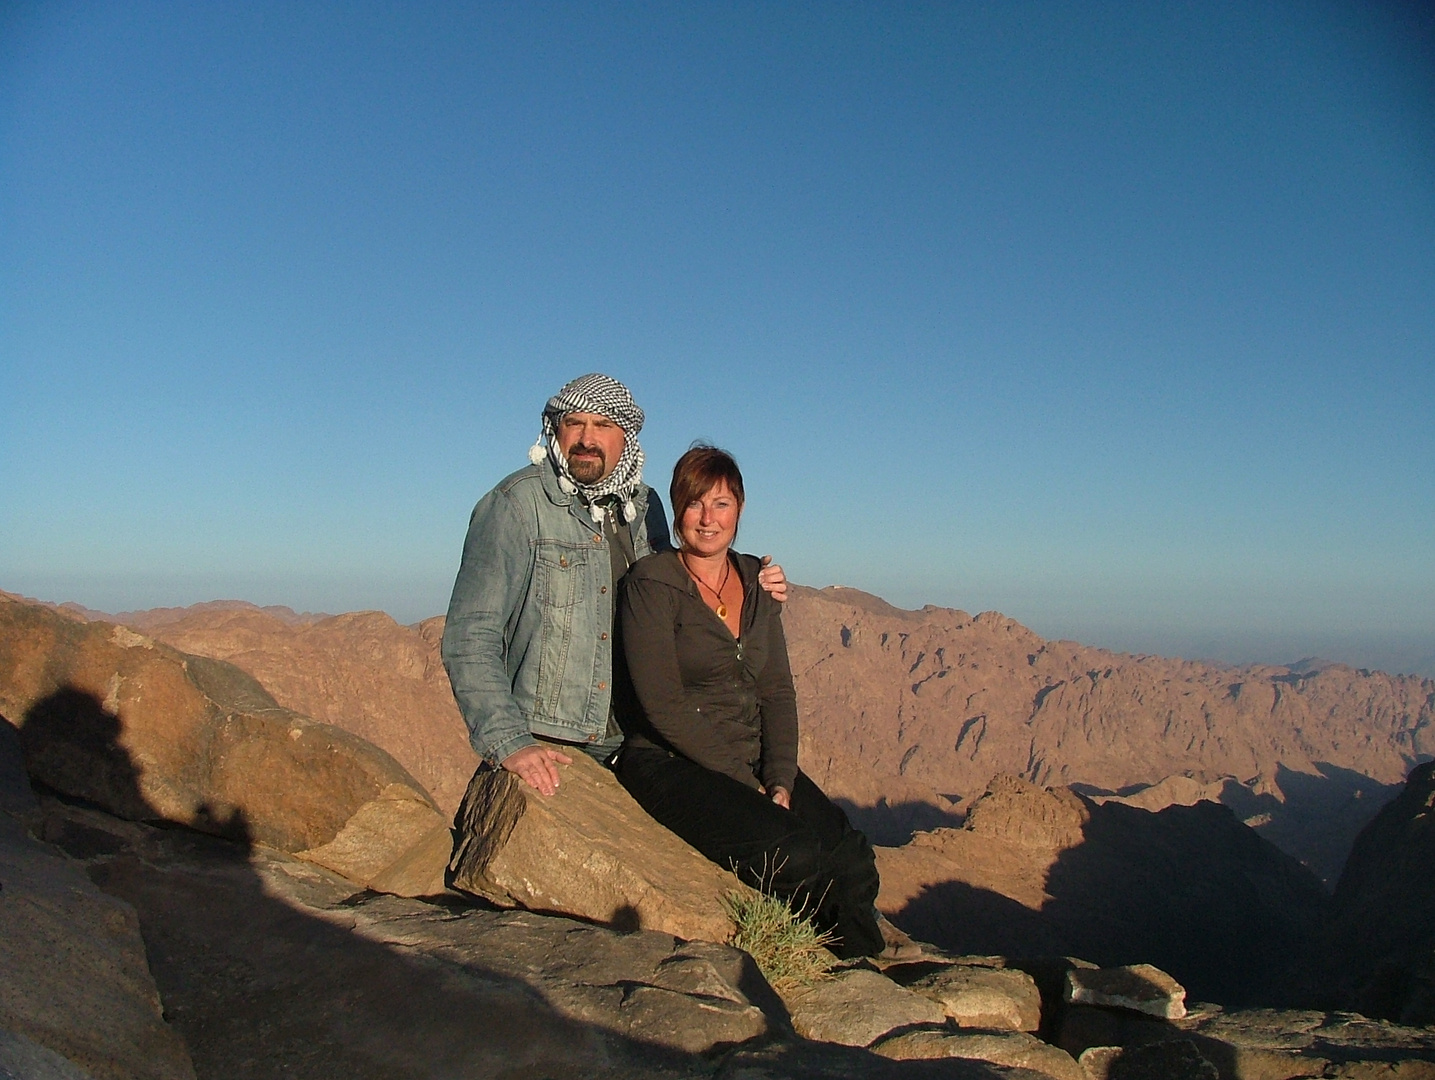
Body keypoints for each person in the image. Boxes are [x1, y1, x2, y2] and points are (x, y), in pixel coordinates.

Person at [614, 445, 904, 960]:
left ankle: (860, 969)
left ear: (740, 510)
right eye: (695, 504)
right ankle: (802, 964)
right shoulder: (651, 584)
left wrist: (779, 779)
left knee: (852, 856)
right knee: (793, 855)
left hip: (749, 751)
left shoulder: (757, 581)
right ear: (678, 510)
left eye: (721, 504)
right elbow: (663, 707)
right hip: (669, 760)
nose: (708, 519)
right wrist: (748, 785)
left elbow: (776, 690)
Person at [441, 374, 787, 796]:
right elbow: (470, 636)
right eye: (575, 423)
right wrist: (509, 741)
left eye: (603, 425)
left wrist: (754, 578)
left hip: (638, 738)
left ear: (625, 438)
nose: (587, 439)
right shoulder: (516, 506)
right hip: (556, 741)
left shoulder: (644, 506)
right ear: (555, 429)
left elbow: (687, 582)